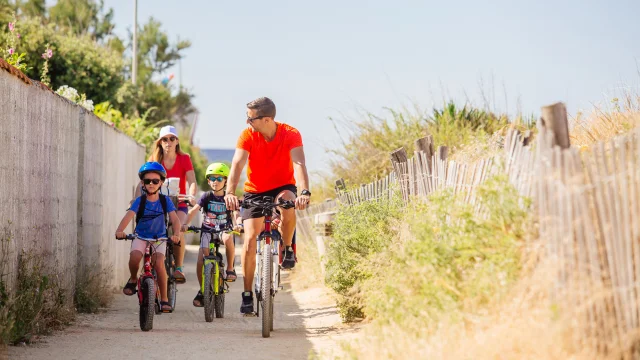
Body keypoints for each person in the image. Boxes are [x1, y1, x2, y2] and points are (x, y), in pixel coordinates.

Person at [224, 97, 311, 314]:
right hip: (255, 189)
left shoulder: (290, 133)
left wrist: (304, 192)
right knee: (251, 238)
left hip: (283, 185)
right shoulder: (248, 135)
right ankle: (247, 295)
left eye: (250, 118)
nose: (247, 122)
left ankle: (288, 247)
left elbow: (299, 163)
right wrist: (229, 192)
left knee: (288, 204)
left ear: (267, 119)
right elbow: (237, 163)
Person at [115, 162, 181, 312]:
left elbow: (175, 219)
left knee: (159, 264)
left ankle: (164, 299)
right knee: (135, 257)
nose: (151, 184)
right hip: (141, 236)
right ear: (142, 183)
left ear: (161, 183)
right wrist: (120, 230)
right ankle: (133, 279)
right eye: (147, 181)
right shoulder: (140, 201)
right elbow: (129, 216)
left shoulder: (165, 201)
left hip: (160, 238)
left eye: (155, 181)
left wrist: (176, 235)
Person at [135, 125, 196, 283]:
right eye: (165, 139)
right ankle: (146, 268)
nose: (168, 142)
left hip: (179, 203)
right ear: (160, 142)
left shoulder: (184, 158)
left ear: (177, 141)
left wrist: (192, 195)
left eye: (172, 138)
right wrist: (137, 200)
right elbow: (141, 183)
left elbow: (192, 181)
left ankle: (179, 268)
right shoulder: (155, 160)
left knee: (179, 229)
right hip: (158, 204)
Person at [180, 162, 243, 307]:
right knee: (201, 259)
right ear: (208, 181)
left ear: (226, 181)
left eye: (219, 178)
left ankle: (230, 268)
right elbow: (193, 211)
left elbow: (236, 213)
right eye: (212, 179)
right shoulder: (206, 196)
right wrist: (184, 223)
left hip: (223, 230)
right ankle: (203, 289)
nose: (215, 182)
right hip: (207, 230)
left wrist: (238, 224)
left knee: (228, 238)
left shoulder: (229, 198)